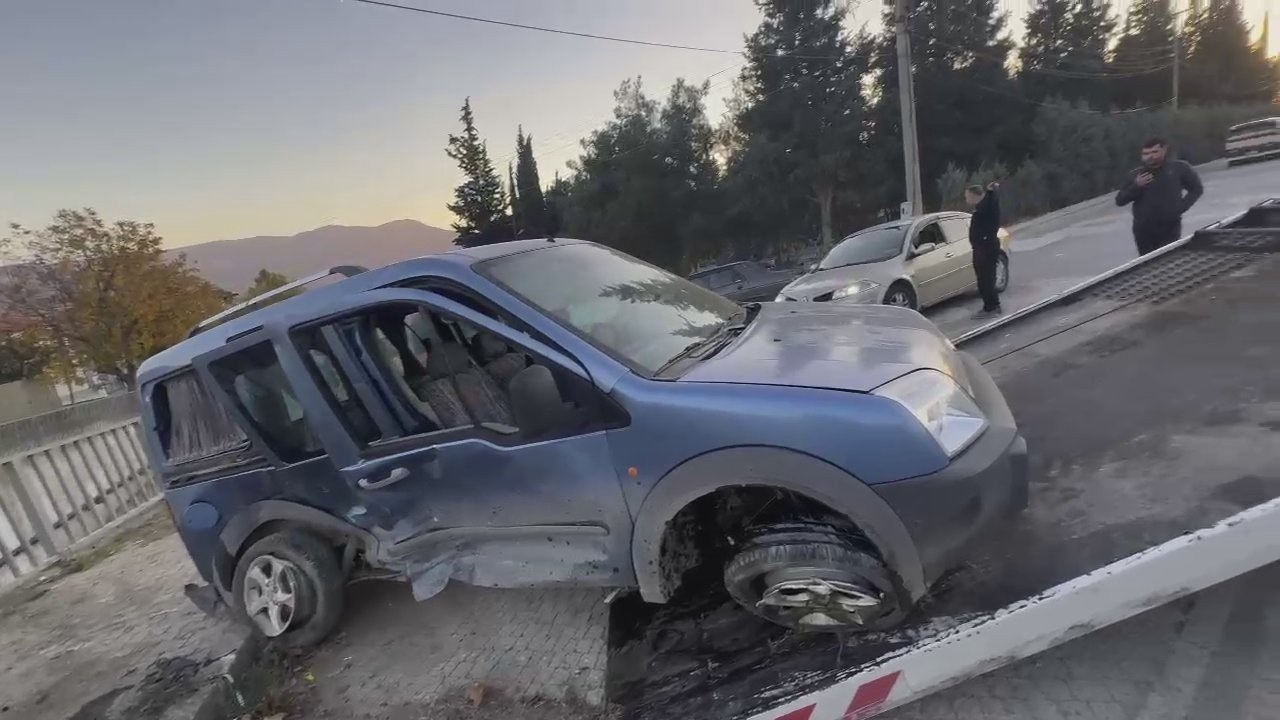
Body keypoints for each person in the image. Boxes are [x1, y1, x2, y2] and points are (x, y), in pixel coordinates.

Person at [1115, 137, 1203, 256]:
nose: (1150, 156)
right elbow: (1120, 200)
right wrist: (1136, 186)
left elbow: (1196, 189)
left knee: (1169, 260)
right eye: (1146, 153)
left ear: (1164, 150)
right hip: (1144, 230)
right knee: (1148, 264)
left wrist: (1180, 208)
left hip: (1170, 227)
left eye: (1154, 152)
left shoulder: (1179, 168)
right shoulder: (1136, 175)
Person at [966, 181, 1002, 318]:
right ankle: (988, 306)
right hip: (980, 248)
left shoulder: (987, 205)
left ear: (975, 195)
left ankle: (993, 307)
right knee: (982, 280)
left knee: (988, 279)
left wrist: (990, 191)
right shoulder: (980, 207)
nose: (966, 199)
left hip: (987, 246)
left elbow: (992, 203)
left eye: (967, 196)